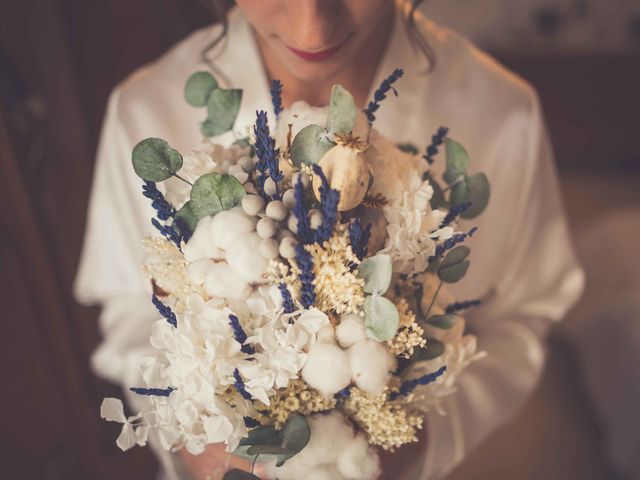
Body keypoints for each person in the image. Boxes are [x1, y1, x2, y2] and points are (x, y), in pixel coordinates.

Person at [74, 0, 585, 479]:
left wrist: (422, 443)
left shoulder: (501, 115)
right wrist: (193, 445)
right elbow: (132, 312)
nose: (312, 28)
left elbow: (520, 316)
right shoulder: (144, 111)